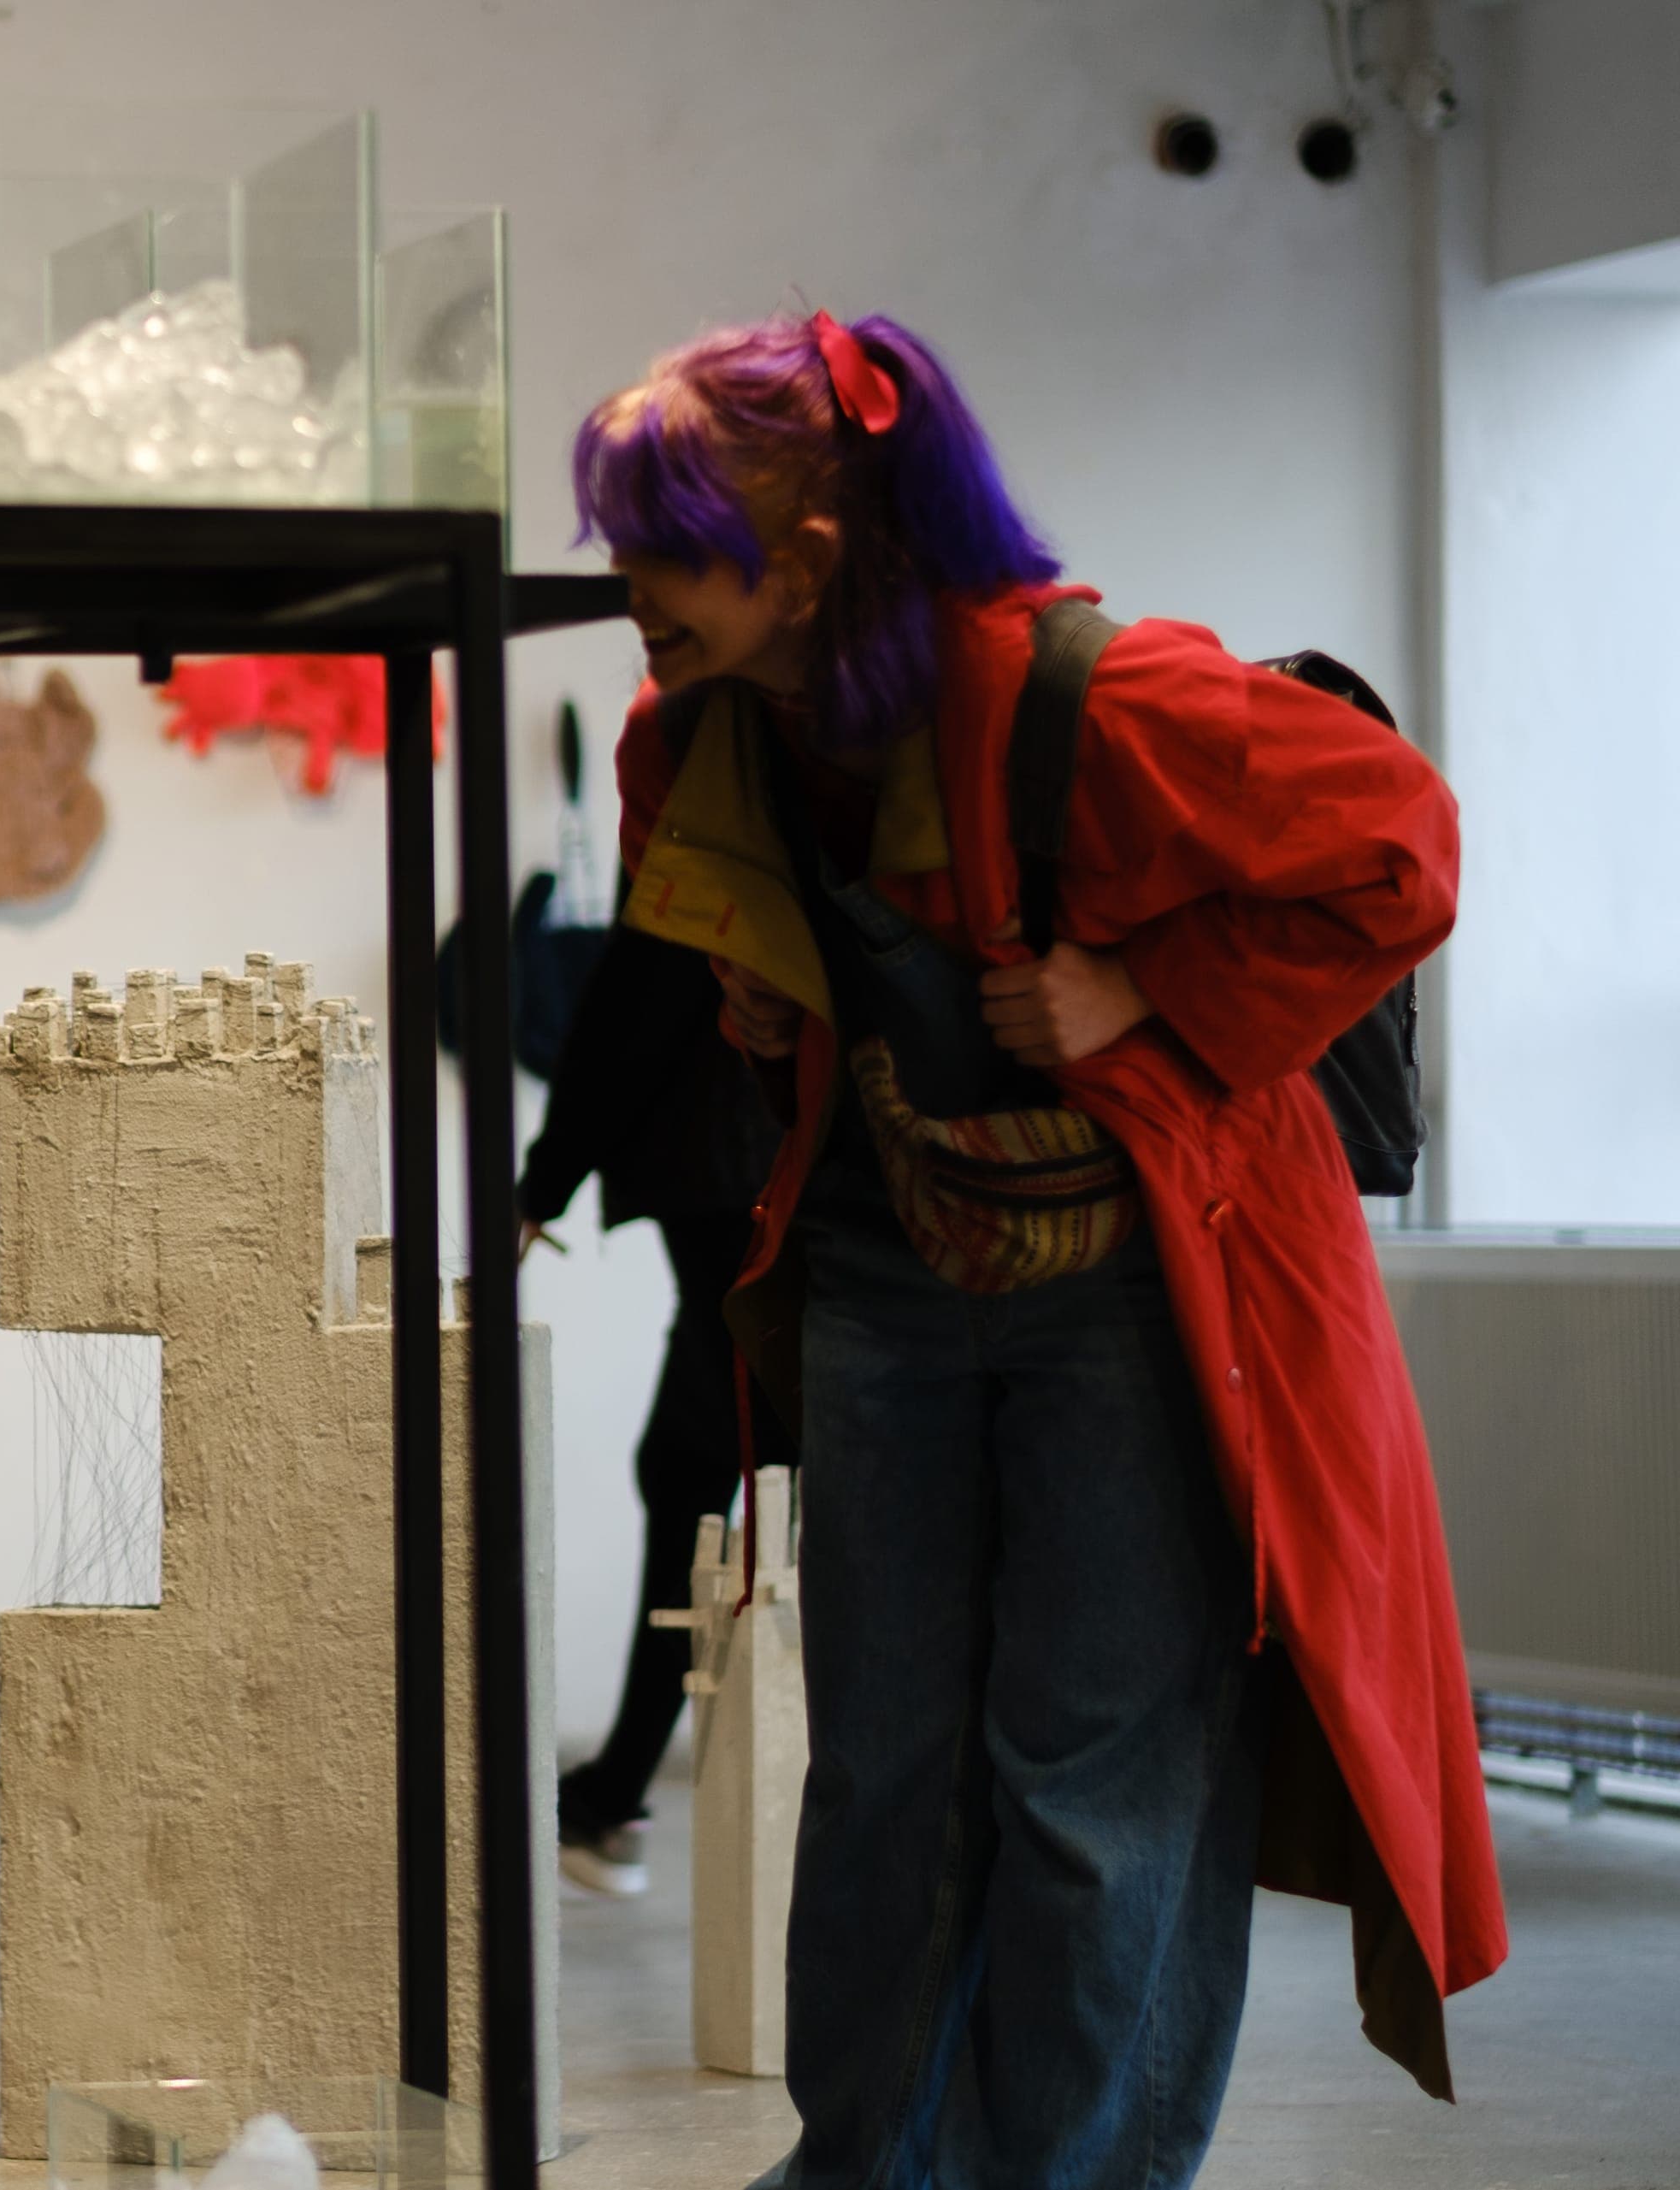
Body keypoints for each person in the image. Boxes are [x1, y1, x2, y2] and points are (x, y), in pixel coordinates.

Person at [569, 310, 1502, 2188]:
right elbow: (769, 963)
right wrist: (779, 1015)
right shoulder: (697, 740)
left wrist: (1143, 983)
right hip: (891, 1282)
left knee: (1091, 1778)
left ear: (813, 556)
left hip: (1143, 1293)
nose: (627, 581)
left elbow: (1401, 843)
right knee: (885, 1782)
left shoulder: (1101, 696)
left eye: (663, 536)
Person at [515, 922, 790, 1896]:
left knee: (699, 1465)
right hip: (767, 1163)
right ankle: (610, 1796)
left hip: (738, 1166)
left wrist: (542, 1184)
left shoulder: (702, 815)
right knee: (705, 1464)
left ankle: (609, 1799)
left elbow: (629, 1014)